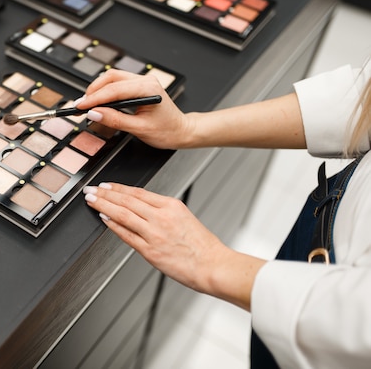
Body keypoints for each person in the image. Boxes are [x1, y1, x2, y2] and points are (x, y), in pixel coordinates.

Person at [76, 59, 371, 369]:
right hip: (319, 238)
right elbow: (361, 98)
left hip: (327, 325)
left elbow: (358, 323)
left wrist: (211, 262)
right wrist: (187, 128)